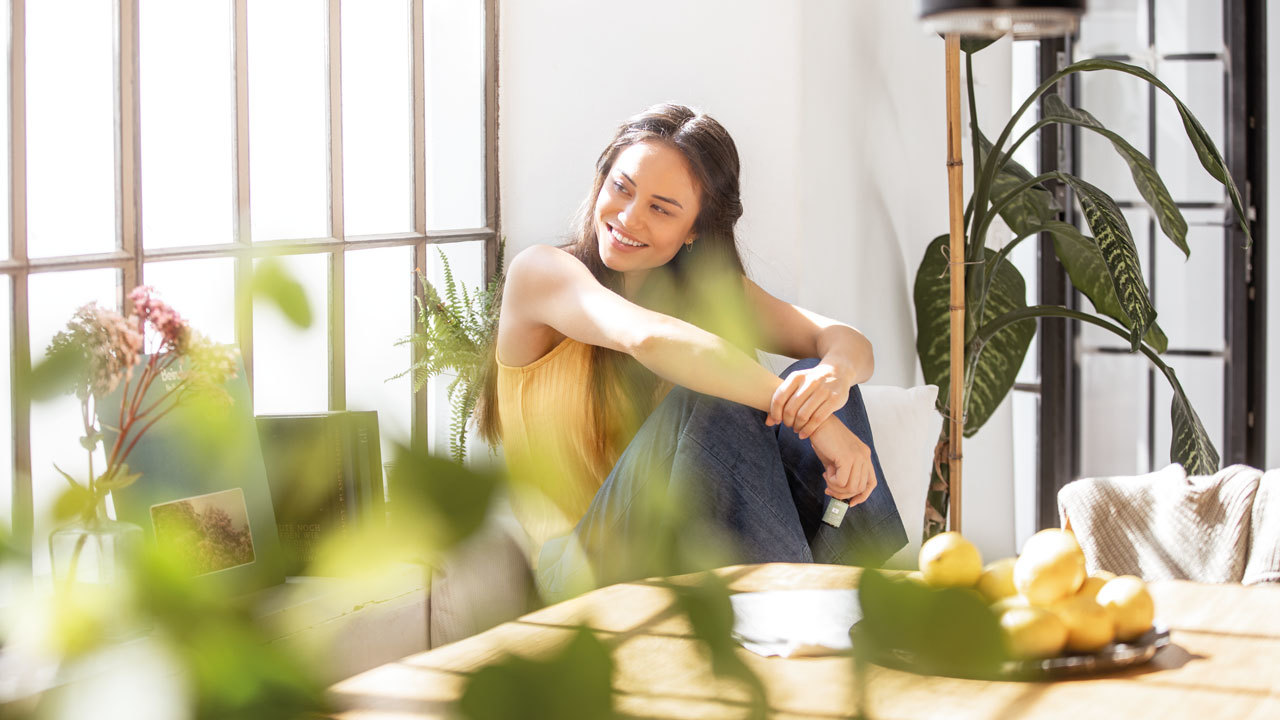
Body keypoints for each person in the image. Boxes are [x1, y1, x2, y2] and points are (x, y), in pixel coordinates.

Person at [474, 103, 906, 600]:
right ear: (603, 178)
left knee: (814, 379)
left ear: (695, 230)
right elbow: (648, 337)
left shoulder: (703, 293)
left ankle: (869, 596)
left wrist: (832, 377)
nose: (628, 217)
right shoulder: (542, 273)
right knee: (715, 393)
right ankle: (811, 607)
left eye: (661, 208)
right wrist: (819, 425)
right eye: (622, 187)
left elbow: (847, 341)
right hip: (580, 569)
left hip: (684, 551)